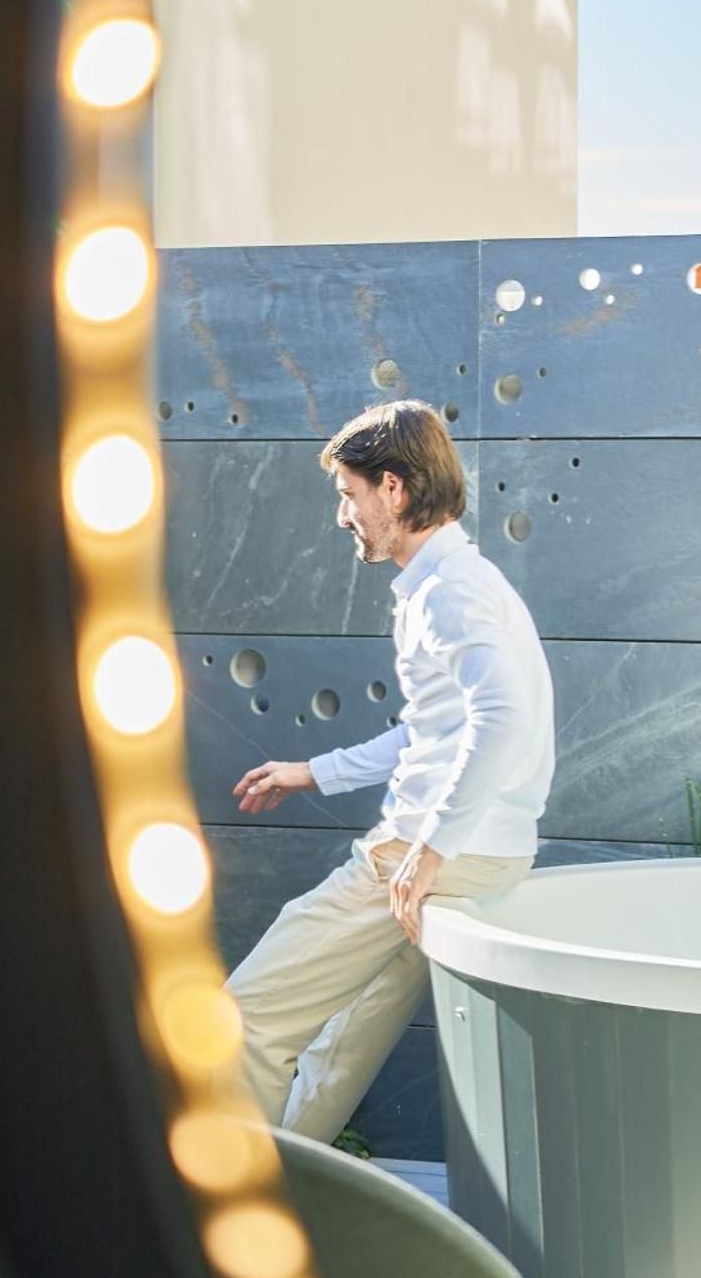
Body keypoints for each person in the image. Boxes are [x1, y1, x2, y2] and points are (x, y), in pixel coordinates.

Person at [225, 399, 555, 1142]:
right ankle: (294, 1207)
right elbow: (436, 729)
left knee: (243, 1022)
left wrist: (427, 850)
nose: (343, 514)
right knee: (338, 1048)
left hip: (425, 859)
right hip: (475, 859)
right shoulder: (459, 583)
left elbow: (501, 720)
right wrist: (314, 771)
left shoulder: (450, 593)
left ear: (394, 489)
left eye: (349, 493)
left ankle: (216, 1219)